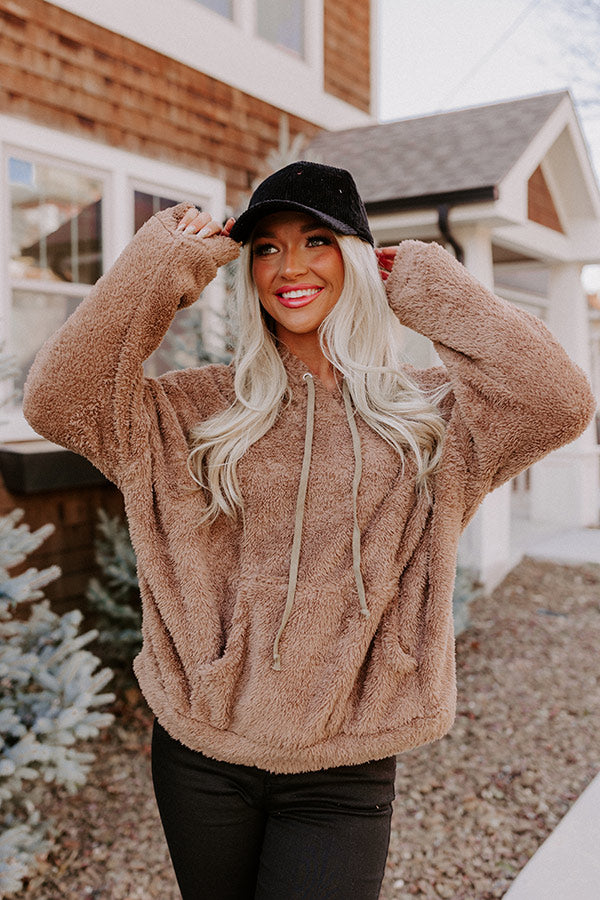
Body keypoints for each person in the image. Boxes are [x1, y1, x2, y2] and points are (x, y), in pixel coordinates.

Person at [23, 161, 595, 899]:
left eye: (317, 241)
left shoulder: (430, 417)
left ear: (356, 258)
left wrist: (431, 287)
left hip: (345, 766)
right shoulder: (192, 410)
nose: (289, 267)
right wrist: (161, 264)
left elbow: (558, 401)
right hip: (202, 755)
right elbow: (58, 399)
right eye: (266, 247)